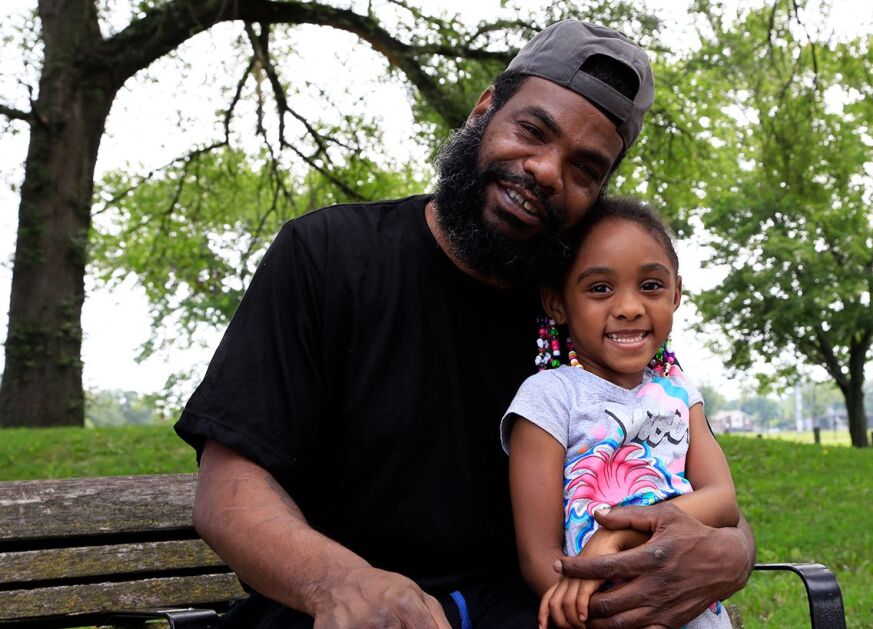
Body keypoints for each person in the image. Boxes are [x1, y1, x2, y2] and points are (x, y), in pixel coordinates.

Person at [175, 19, 755, 628]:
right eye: (532, 130)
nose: (547, 171)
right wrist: (340, 582)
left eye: (585, 168)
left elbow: (685, 466)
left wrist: (735, 553)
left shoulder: (590, 311)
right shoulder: (327, 256)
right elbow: (228, 493)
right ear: (484, 111)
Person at [502, 198, 739, 629]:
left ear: (677, 294)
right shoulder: (548, 399)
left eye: (650, 286)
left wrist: (617, 534)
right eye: (599, 288)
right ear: (556, 302)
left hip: (695, 610)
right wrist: (595, 610)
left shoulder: (681, 394)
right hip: (599, 614)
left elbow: (722, 501)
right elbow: (538, 558)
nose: (630, 307)